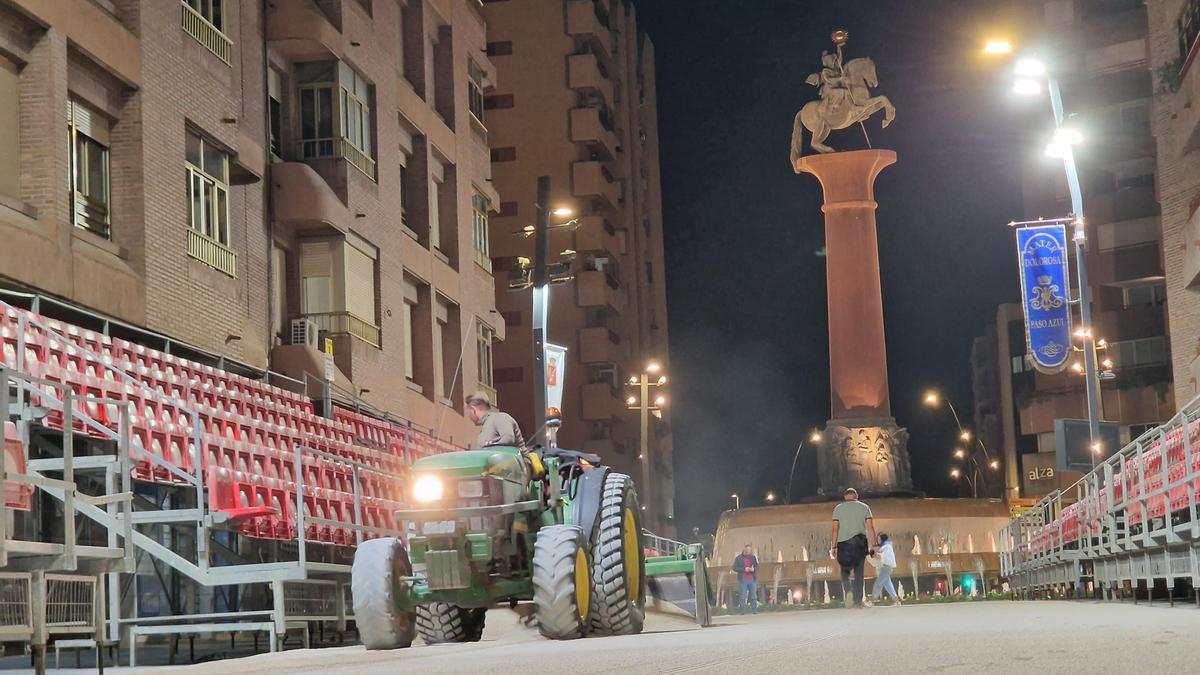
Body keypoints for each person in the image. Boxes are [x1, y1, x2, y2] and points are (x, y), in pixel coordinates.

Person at [829, 487, 877, 608]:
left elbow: (835, 529)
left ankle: (848, 591)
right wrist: (874, 545)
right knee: (859, 572)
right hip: (860, 543)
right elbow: (870, 528)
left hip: (844, 544)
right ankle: (858, 601)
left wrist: (833, 547)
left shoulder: (838, 509)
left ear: (845, 497)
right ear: (856, 496)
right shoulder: (864, 507)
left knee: (845, 571)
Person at [870, 533, 901, 606]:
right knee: (888, 584)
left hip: (886, 567)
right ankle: (897, 601)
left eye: (879, 539)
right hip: (887, 567)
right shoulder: (887, 546)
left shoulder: (886, 547)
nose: (878, 540)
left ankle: (872, 601)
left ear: (882, 539)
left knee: (878, 583)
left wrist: (871, 553)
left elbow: (880, 556)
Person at [730, 544, 759, 615]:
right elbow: (734, 568)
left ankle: (754, 611)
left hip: (752, 579)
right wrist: (744, 569)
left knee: (754, 596)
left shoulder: (752, 557)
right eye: (747, 550)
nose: (749, 551)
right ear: (744, 550)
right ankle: (742, 611)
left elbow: (757, 566)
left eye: (750, 550)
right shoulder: (738, 558)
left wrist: (753, 569)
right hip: (743, 579)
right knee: (742, 596)